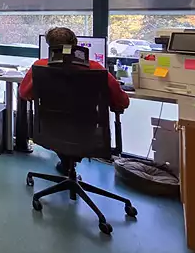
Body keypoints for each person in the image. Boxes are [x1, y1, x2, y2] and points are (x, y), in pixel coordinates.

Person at [19, 27, 130, 173]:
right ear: (76, 43)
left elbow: (24, 93)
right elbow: (123, 101)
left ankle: (66, 163)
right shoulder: (96, 68)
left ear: (50, 46)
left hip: (50, 129)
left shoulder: (39, 66)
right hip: (85, 131)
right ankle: (68, 165)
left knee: (62, 133)